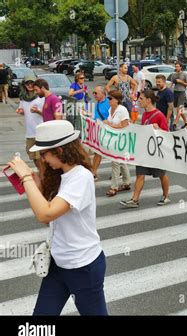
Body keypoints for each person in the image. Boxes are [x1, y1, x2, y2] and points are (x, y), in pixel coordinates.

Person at [7, 120, 108, 315]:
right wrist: (36, 185)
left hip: (82, 266)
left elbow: (45, 213)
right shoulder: (60, 175)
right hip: (58, 262)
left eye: (44, 153)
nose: (43, 159)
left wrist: (27, 177)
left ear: (60, 151)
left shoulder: (82, 177)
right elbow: (47, 219)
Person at [120, 90, 171, 208]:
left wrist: (158, 129)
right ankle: (135, 199)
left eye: (141, 98)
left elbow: (167, 134)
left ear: (148, 100)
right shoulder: (144, 114)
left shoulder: (159, 115)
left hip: (156, 152)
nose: (139, 100)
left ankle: (166, 196)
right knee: (140, 174)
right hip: (144, 151)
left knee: (161, 174)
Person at [103, 90, 132, 196]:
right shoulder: (111, 109)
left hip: (121, 140)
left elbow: (125, 125)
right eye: (108, 98)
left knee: (115, 162)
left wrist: (110, 124)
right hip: (113, 139)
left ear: (117, 100)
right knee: (121, 161)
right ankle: (127, 182)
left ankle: (114, 187)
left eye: (110, 98)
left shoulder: (122, 110)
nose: (108, 100)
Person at [15, 74, 45, 176]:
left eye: (32, 83)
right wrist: (21, 111)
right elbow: (23, 110)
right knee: (33, 157)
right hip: (30, 132)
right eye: (27, 83)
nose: (30, 85)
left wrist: (37, 111)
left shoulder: (41, 98)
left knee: (42, 157)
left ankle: (44, 176)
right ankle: (42, 174)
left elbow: (47, 114)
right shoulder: (23, 98)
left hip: (40, 132)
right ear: (24, 85)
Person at [82, 86, 110, 179]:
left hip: (108, 131)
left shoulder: (109, 103)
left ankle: (94, 172)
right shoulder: (98, 103)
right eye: (93, 93)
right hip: (98, 131)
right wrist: (86, 114)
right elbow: (95, 116)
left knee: (104, 153)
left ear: (103, 93)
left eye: (96, 93)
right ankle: (93, 172)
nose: (94, 95)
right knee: (97, 152)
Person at [169, 61, 187, 128]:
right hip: (175, 92)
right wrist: (169, 90)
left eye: (178, 66)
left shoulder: (184, 74)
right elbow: (171, 83)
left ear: (181, 67)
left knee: (179, 109)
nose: (176, 68)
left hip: (182, 92)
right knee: (180, 111)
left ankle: (175, 123)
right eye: (176, 66)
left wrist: (181, 81)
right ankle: (186, 122)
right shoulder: (173, 75)